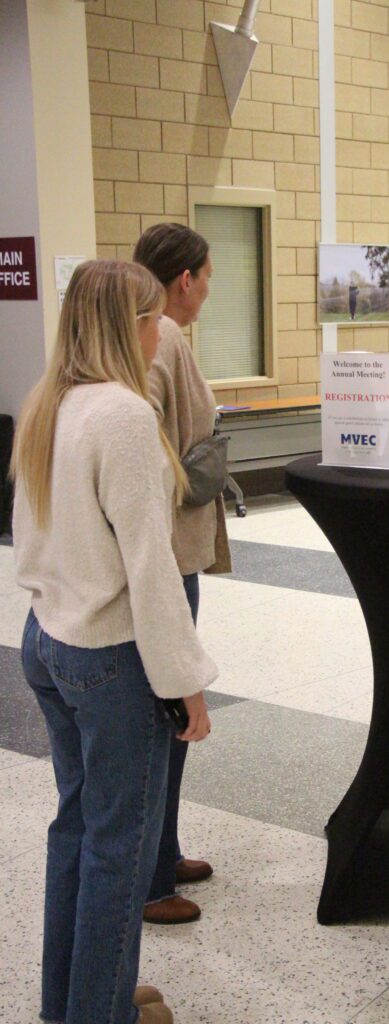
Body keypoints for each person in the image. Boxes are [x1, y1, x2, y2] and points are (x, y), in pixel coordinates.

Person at [11, 260, 217, 1024]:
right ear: (130, 327)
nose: (162, 332)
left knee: (77, 828)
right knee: (118, 848)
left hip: (47, 640)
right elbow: (150, 569)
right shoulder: (124, 416)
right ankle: (100, 1013)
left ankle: (71, 1003)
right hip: (108, 656)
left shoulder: (49, 401)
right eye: (153, 318)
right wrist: (186, 682)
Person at [133, 222, 231, 925]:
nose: (206, 294)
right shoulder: (162, 336)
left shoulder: (151, 336)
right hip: (168, 552)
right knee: (168, 717)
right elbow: (145, 440)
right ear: (185, 279)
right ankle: (150, 875)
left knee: (164, 720)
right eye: (207, 279)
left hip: (167, 546)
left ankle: (162, 854)